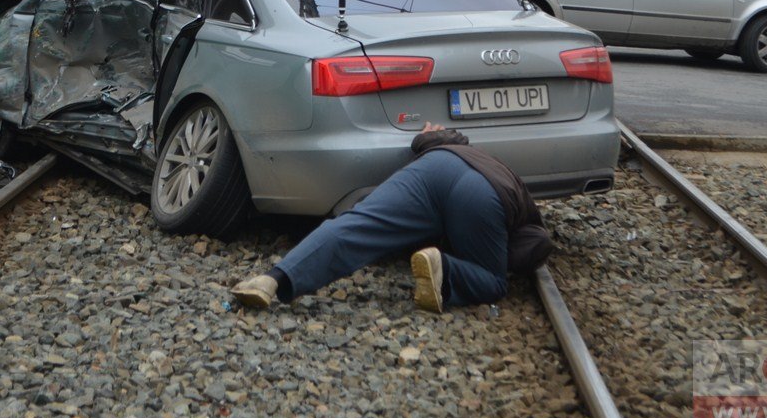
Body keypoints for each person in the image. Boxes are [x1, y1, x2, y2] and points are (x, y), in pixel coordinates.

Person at [231, 124, 554, 313]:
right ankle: (444, 267)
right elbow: (537, 245)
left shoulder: (463, 147)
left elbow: (427, 139)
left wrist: (428, 137)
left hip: (434, 166)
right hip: (481, 194)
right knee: (494, 281)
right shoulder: (524, 211)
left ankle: (273, 279)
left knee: (358, 224)